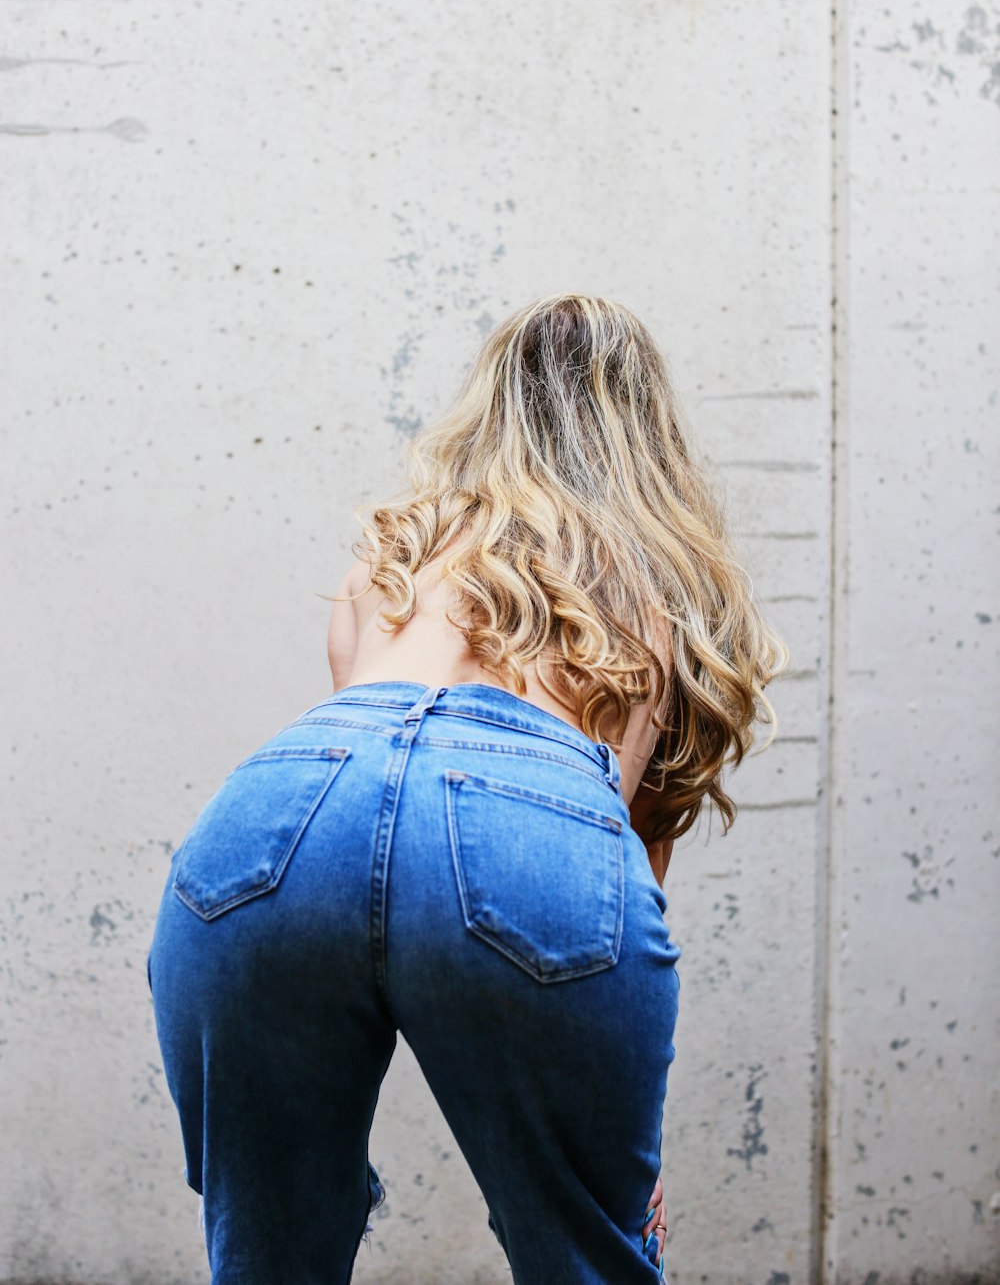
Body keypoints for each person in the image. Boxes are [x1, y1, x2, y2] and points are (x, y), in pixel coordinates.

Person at [148, 293, 787, 1284]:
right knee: (588, 1252)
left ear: (485, 405)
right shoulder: (651, 577)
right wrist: (617, 1167)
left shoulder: (392, 555)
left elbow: (372, 801)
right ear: (645, 431)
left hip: (279, 814)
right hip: (523, 808)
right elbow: (623, 854)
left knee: (268, 1248)